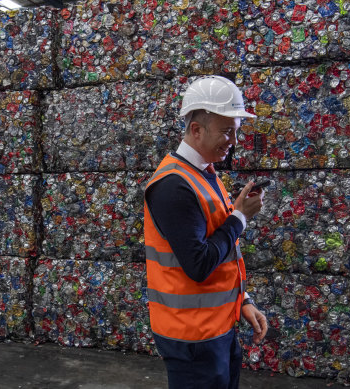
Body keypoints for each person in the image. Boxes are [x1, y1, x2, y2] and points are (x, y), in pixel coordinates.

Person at [144, 75, 268, 389]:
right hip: (193, 337)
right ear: (196, 130)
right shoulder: (173, 186)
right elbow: (199, 264)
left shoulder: (204, 174)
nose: (234, 142)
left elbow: (222, 251)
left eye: (235, 132)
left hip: (217, 328)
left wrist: (243, 299)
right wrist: (239, 217)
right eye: (227, 132)